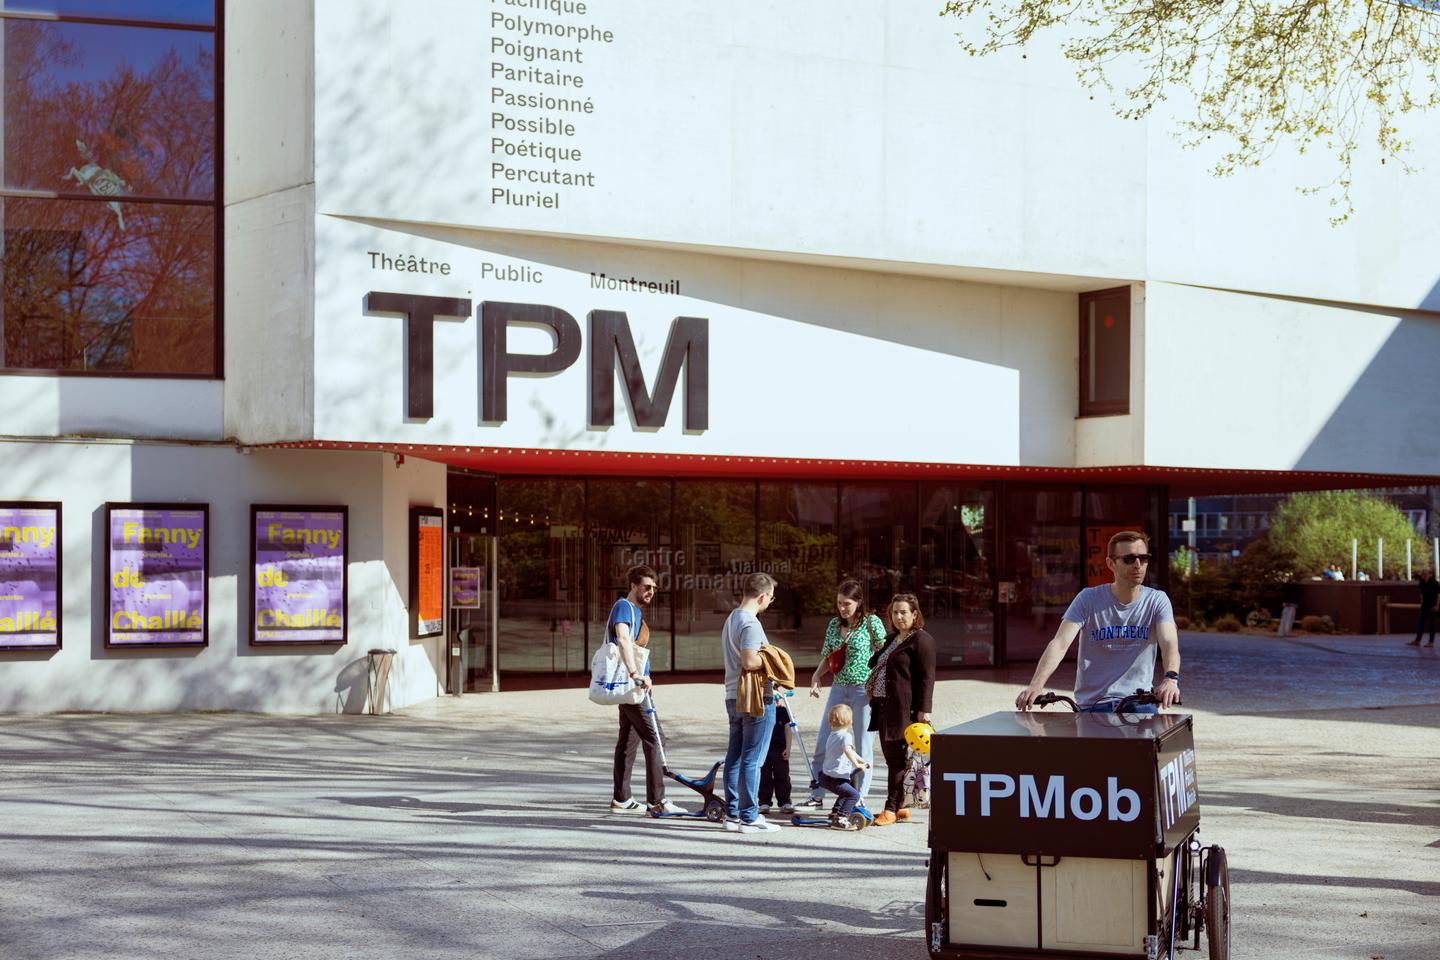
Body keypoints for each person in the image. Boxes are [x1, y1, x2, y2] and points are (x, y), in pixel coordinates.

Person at [1016, 531, 1181, 714]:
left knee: (1152, 731)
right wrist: (1036, 685)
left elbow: (1169, 643)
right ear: (1111, 563)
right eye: (1129, 559)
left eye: (1143, 558)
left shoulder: (1157, 600)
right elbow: (1060, 644)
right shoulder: (1088, 599)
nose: (1137, 565)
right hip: (1092, 705)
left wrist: (1170, 679)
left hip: (1138, 702)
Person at [797, 580, 886, 810]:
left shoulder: (871, 623)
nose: (842, 608)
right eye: (839, 603)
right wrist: (816, 676)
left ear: (859, 602)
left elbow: (885, 652)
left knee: (864, 746)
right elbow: (829, 656)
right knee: (824, 741)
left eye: (847, 604)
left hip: (863, 690)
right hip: (839, 687)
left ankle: (859, 798)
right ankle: (816, 795)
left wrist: (880, 683)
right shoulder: (834, 624)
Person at [608, 565, 685, 815]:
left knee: (628, 740)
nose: (651, 591)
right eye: (647, 586)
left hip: (633, 685)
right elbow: (622, 638)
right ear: (633, 585)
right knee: (655, 737)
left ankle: (622, 799)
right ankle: (657, 801)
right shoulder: (624, 607)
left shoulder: (635, 611)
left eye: (654, 588)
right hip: (633, 684)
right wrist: (635, 674)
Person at [865, 593, 936, 826]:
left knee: (896, 760)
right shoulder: (892, 638)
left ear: (914, 614)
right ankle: (902, 806)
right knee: (894, 759)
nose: (898, 617)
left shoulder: (922, 640)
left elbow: (927, 677)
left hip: (904, 710)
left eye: (903, 612)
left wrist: (924, 710)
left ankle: (891, 809)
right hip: (884, 707)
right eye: (895, 612)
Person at [721, 572, 781, 833]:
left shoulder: (731, 618)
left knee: (735, 756)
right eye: (771, 598)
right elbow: (749, 660)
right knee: (753, 759)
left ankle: (733, 814)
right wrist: (774, 660)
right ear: (763, 596)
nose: (770, 602)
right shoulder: (750, 623)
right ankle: (749, 817)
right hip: (756, 697)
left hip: (733, 694)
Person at [817, 703, 870, 830]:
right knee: (854, 795)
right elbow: (847, 750)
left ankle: (836, 812)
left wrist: (862, 761)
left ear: (830, 722)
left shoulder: (833, 735)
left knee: (847, 790)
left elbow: (850, 751)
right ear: (851, 722)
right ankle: (841, 818)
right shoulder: (846, 736)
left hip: (826, 776)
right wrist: (857, 764)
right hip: (835, 779)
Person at [758, 697, 794, 815]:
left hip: (780, 749)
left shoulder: (782, 711)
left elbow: (788, 729)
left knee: (782, 776)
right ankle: (764, 802)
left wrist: (788, 748)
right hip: (764, 749)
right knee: (764, 776)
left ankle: (785, 801)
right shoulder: (759, 709)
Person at [1408, 569, 1439, 647]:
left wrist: (1437, 606)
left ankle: (1431, 642)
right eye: (1423, 575)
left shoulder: (1434, 582)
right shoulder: (1421, 582)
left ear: (1429, 575)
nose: (1424, 576)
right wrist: (1421, 604)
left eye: (1425, 574)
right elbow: (1421, 594)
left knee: (1431, 623)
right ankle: (1417, 640)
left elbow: (1439, 594)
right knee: (1421, 622)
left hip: (1433, 605)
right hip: (1425, 605)